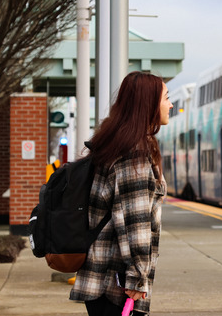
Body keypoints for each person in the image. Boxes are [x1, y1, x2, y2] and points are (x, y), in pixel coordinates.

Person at [70, 71, 173, 316]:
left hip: (108, 279)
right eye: (166, 98)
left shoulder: (118, 143)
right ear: (148, 105)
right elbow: (134, 221)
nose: (170, 105)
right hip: (116, 285)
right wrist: (138, 278)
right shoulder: (133, 153)